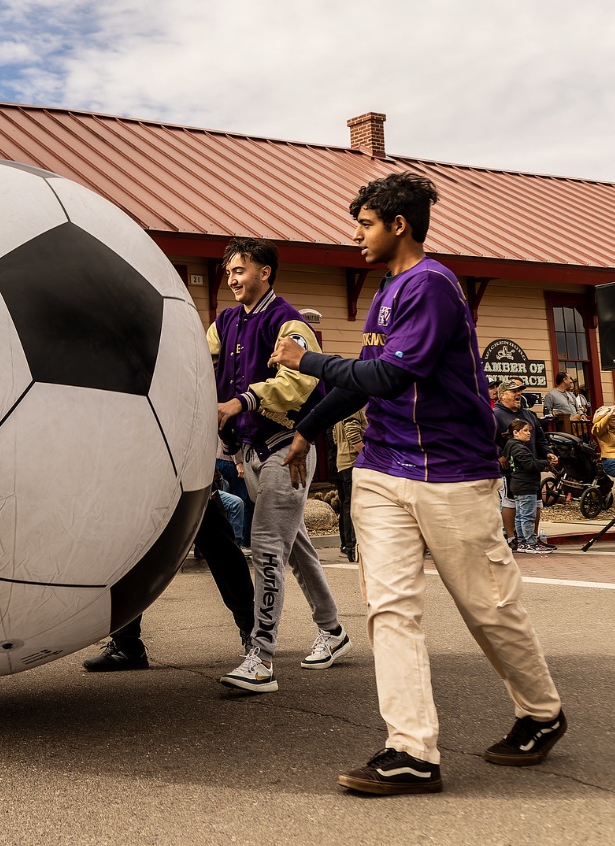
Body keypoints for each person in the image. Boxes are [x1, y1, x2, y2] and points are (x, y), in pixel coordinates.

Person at [270, 172, 565, 795]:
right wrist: (305, 429)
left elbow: (388, 378)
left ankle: (541, 712)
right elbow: (358, 382)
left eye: (365, 224)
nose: (356, 236)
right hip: (382, 469)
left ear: (398, 225)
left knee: (488, 607)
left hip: (452, 474)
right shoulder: (386, 292)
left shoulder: (432, 287)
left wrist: (308, 360)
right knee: (389, 607)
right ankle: (410, 751)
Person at [213, 236, 350, 694]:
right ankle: (332, 631)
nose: (232, 279)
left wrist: (242, 400)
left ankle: (262, 656)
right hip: (249, 452)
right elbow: (196, 356)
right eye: (229, 271)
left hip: (287, 449)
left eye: (240, 270)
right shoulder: (226, 321)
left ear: (265, 272)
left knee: (267, 543)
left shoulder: (289, 324)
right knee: (295, 544)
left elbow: (295, 385)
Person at [82, 491, 255, 671]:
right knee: (129, 556)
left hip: (190, 479)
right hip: (141, 486)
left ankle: (253, 631)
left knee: (222, 551)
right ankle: (126, 645)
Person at [495, 381, 557, 550]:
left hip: (531, 468)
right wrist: (500, 455)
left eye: (519, 391)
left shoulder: (529, 415)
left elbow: (540, 439)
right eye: (513, 391)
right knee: (510, 502)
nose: (518, 394)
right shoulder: (495, 415)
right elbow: (486, 440)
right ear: (502, 395)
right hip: (511, 470)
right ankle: (512, 538)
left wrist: (547, 453)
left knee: (535, 503)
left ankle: (532, 538)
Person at [503, 420, 553, 555]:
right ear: (515, 432)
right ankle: (530, 542)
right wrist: (545, 463)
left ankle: (522, 541)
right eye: (525, 430)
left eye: (529, 430)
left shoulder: (511, 445)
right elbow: (530, 465)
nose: (528, 433)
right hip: (525, 485)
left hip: (518, 484)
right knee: (527, 516)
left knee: (520, 515)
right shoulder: (519, 448)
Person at [332, 409, 366, 562]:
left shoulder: (343, 405)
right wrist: (368, 456)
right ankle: (352, 547)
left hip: (343, 461)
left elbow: (334, 436)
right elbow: (352, 432)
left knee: (349, 505)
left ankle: (349, 547)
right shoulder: (354, 406)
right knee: (354, 506)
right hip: (353, 461)